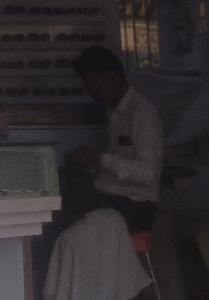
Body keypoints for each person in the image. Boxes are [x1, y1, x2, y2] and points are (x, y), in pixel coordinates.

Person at [37, 45, 163, 300]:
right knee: (48, 219)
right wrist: (90, 163)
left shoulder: (143, 114)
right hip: (108, 198)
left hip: (132, 206)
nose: (92, 95)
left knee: (57, 232)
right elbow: (117, 167)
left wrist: (100, 158)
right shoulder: (115, 114)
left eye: (94, 87)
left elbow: (148, 173)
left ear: (113, 78)